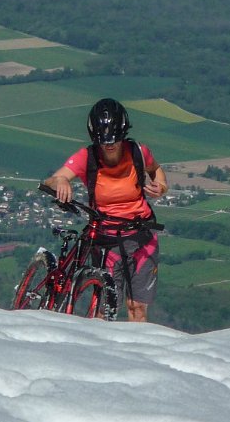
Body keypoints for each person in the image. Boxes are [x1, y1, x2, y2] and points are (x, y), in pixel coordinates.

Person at [44, 98, 168, 322]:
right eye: (104, 140)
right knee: (104, 309)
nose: (109, 145)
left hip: (142, 235)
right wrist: (61, 181)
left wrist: (162, 186)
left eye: (115, 139)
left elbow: (156, 169)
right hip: (106, 240)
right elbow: (53, 179)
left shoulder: (139, 152)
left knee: (137, 306)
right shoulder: (87, 157)